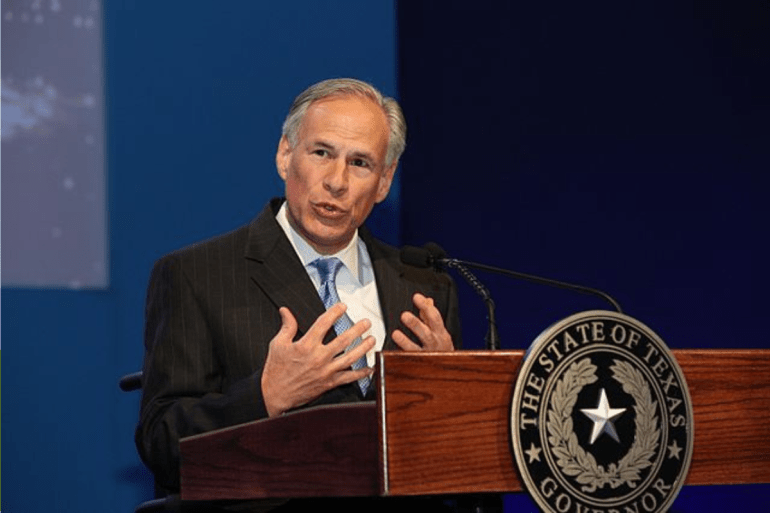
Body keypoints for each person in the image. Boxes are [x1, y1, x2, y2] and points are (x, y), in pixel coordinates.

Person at [135, 78, 462, 507]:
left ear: (384, 181)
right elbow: (161, 443)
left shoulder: (426, 288)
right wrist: (266, 395)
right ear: (285, 155)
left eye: (360, 163)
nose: (337, 181)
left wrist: (449, 397)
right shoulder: (196, 275)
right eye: (321, 153)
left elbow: (457, 466)